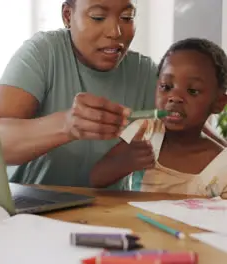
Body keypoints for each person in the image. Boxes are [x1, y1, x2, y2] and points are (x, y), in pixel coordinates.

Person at [0, 0, 226, 189]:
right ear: (67, 15)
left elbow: (194, 127)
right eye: (97, 17)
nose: (115, 32)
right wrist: (66, 125)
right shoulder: (43, 54)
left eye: (127, 17)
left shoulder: (145, 73)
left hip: (106, 214)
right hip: (29, 212)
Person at [90, 38, 227, 198]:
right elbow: (96, 178)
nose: (174, 97)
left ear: (219, 103)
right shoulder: (145, 131)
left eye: (193, 91)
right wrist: (124, 162)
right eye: (166, 87)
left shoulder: (222, 167)